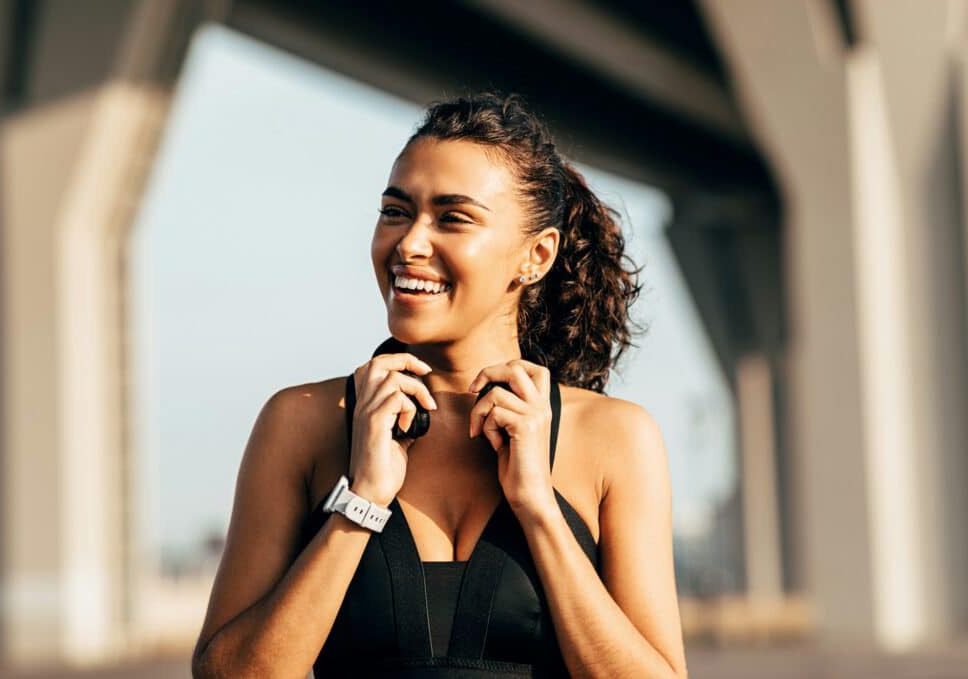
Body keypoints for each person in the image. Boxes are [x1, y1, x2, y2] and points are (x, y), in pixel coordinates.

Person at [191, 90, 688, 679]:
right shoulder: (302, 421)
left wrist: (538, 509)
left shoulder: (612, 438)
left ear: (537, 254)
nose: (409, 244)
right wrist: (362, 501)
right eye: (396, 211)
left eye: (452, 218)